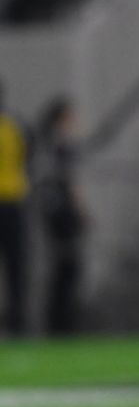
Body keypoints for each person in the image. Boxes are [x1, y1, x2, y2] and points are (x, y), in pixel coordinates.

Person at [37, 97, 86, 334]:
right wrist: (79, 210)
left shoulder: (48, 146)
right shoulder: (59, 146)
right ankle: (61, 325)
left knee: (65, 267)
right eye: (70, 117)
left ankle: (60, 323)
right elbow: (67, 182)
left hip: (55, 211)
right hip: (61, 213)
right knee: (68, 267)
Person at [0, 78, 28, 335]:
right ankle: (17, 325)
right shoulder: (15, 123)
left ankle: (18, 323)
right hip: (14, 202)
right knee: (16, 268)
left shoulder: (15, 123)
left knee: (16, 268)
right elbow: (30, 158)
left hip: (13, 200)